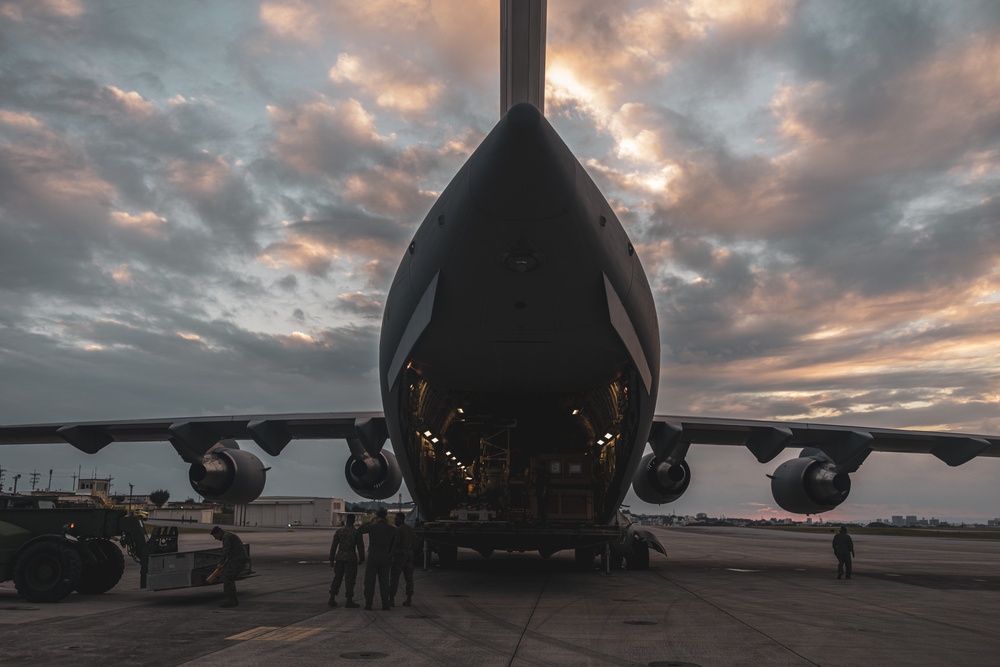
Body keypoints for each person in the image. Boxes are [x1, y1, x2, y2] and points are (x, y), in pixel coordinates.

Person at [357, 508, 396, 610]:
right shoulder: (392, 529)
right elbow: (394, 543)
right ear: (386, 516)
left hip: (373, 556)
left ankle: (369, 604)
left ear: (377, 517)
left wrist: (369, 521)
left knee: (370, 582)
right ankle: (385, 604)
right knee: (384, 582)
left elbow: (360, 530)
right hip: (385, 556)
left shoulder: (372, 527)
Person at [328, 513, 365, 608]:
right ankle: (349, 600)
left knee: (337, 577)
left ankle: (332, 597)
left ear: (346, 520)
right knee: (350, 579)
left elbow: (334, 546)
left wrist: (331, 559)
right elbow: (360, 546)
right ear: (353, 521)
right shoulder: (356, 532)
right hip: (350, 557)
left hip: (340, 556)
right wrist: (362, 558)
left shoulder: (339, 531)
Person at [211, 526, 249, 607]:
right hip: (237, 558)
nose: (215, 538)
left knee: (227, 577)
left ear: (219, 532)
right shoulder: (228, 535)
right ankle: (232, 599)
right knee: (229, 576)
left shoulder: (226, 537)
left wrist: (220, 563)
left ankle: (231, 600)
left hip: (237, 559)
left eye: (215, 536)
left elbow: (226, 551)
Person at [389, 512, 415, 607]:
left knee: (394, 577)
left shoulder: (398, 530)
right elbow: (413, 543)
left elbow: (396, 543)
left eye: (396, 519)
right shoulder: (410, 529)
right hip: (409, 554)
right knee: (409, 578)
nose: (395, 521)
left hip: (400, 555)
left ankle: (391, 599)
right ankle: (409, 599)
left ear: (400, 519)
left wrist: (391, 555)